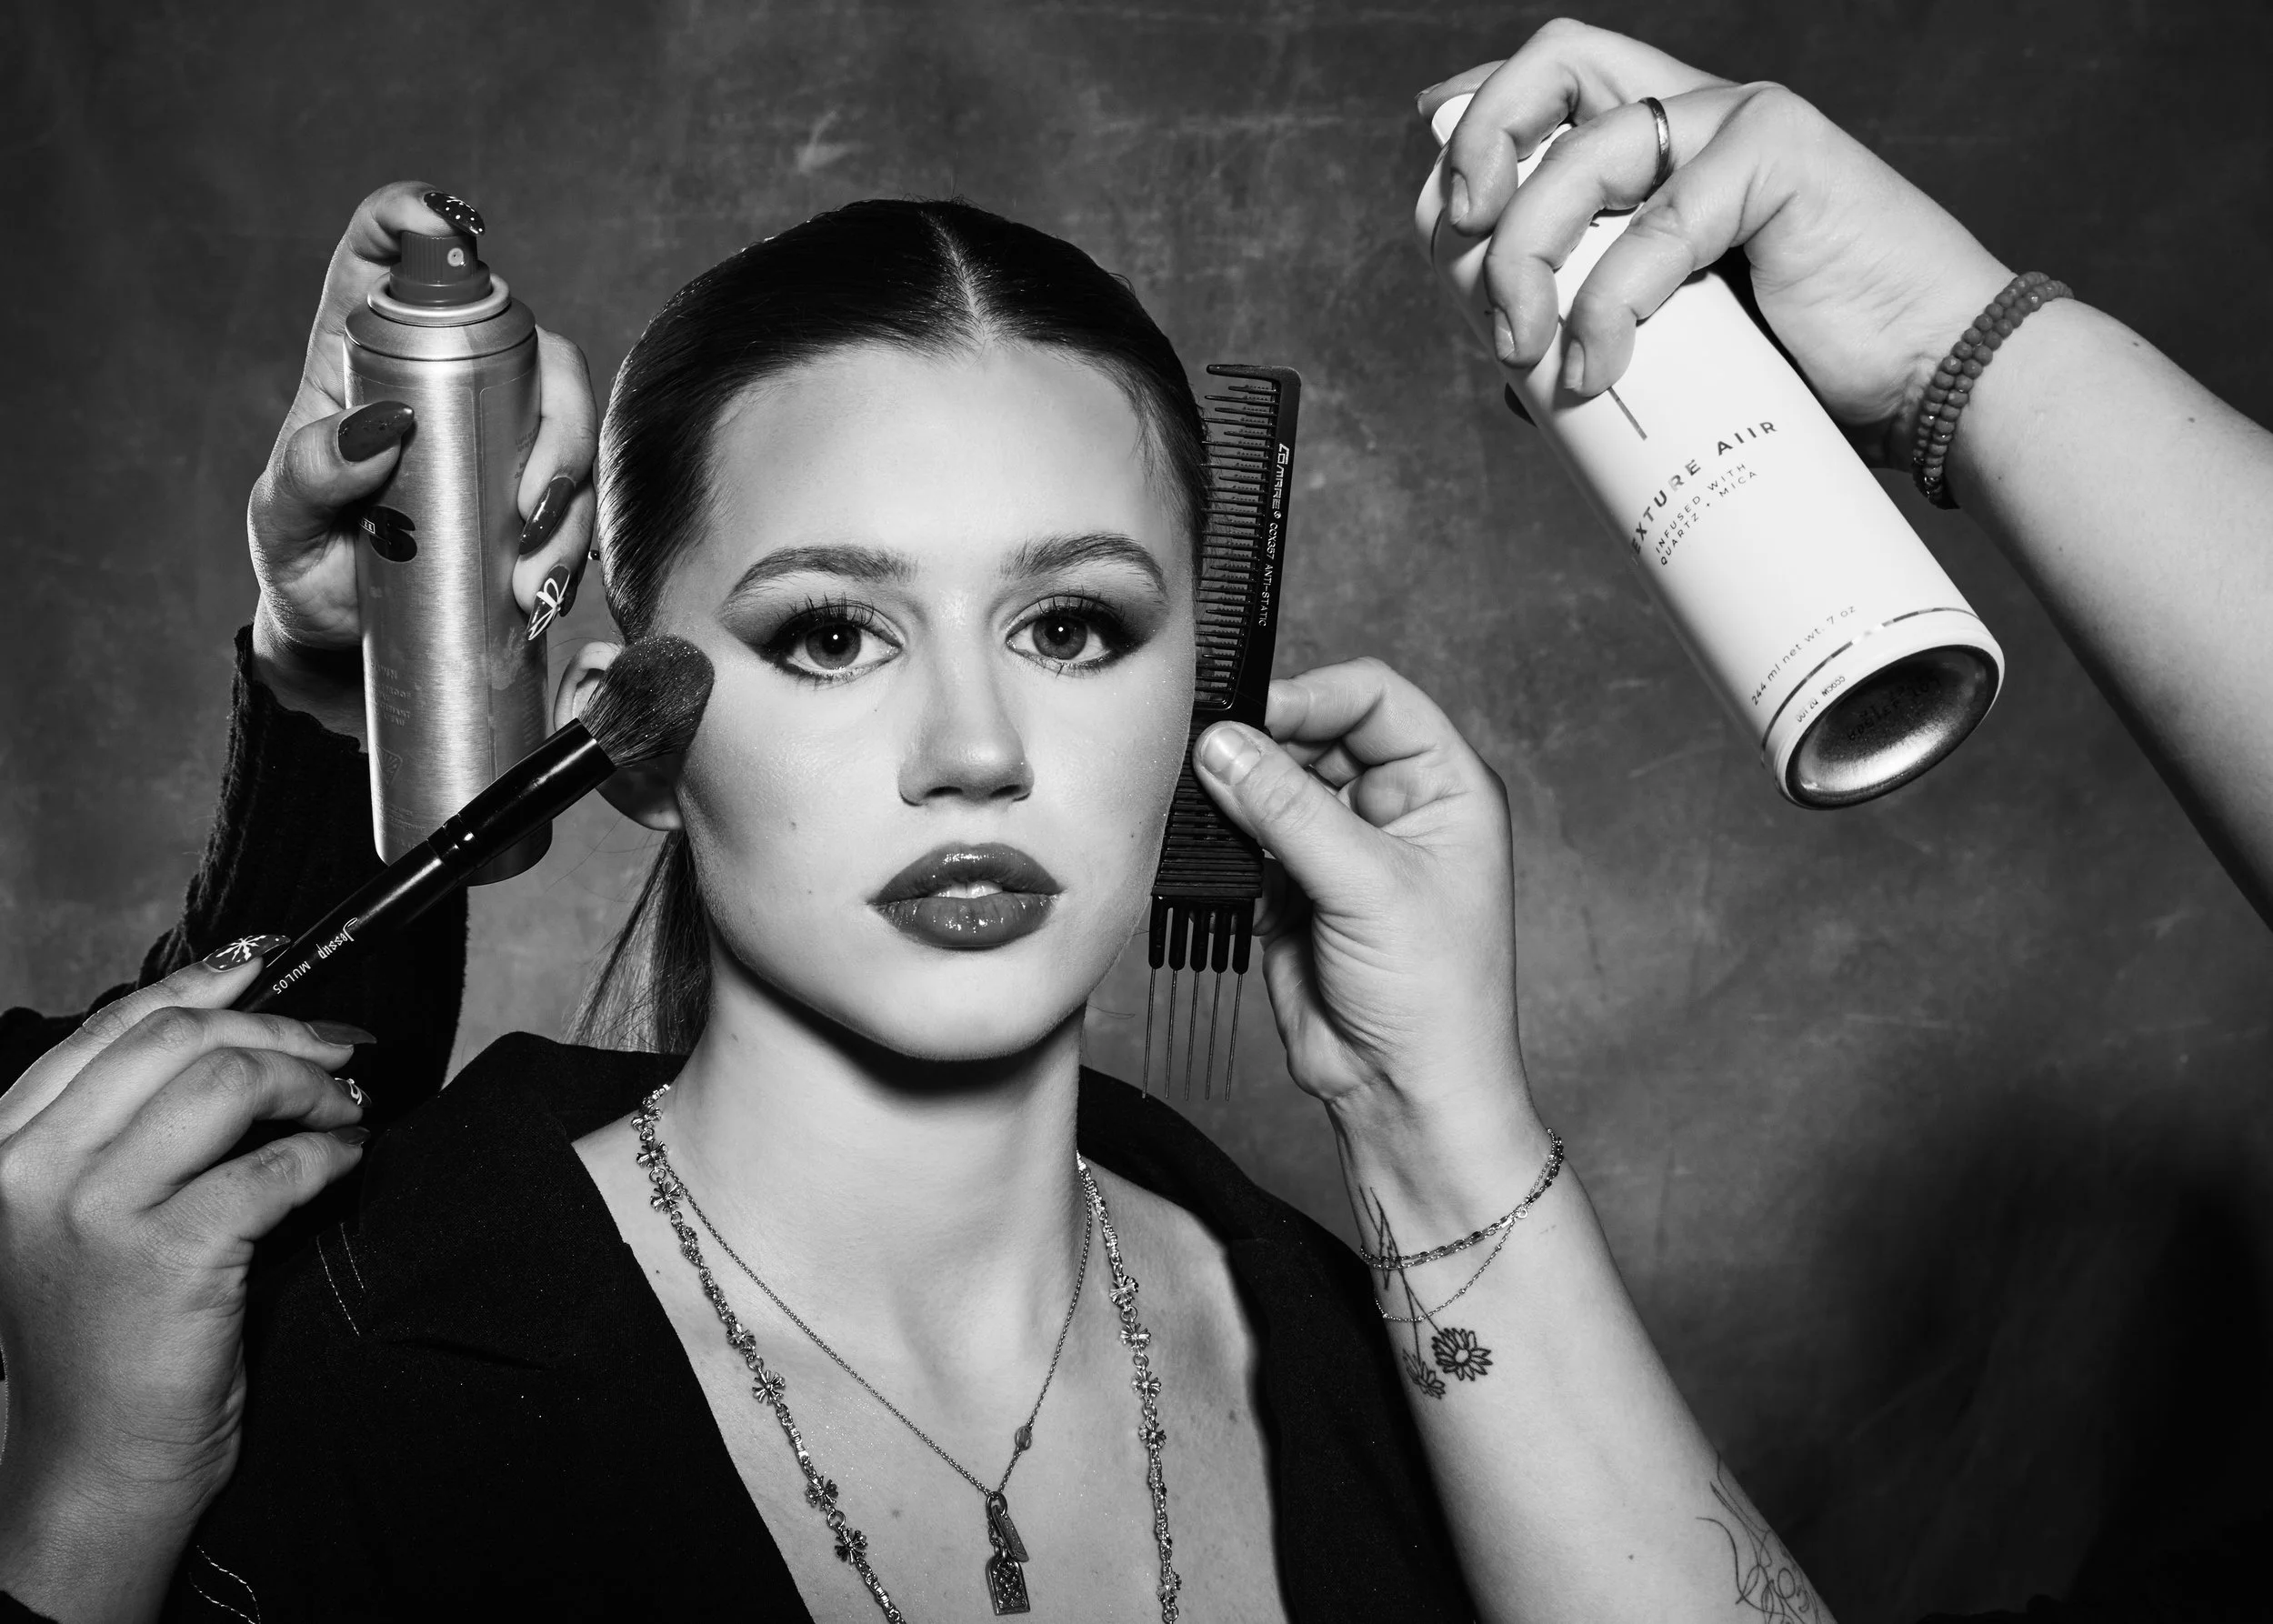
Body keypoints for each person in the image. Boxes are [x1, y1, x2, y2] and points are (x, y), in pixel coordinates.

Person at [5, 15, 2270, 1621]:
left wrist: (1445, 1146)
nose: (974, 745)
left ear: (1202, 690)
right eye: (824, 635)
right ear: (630, 718)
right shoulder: (318, 1348)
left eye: (1077, 626)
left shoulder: (1400, 1369)